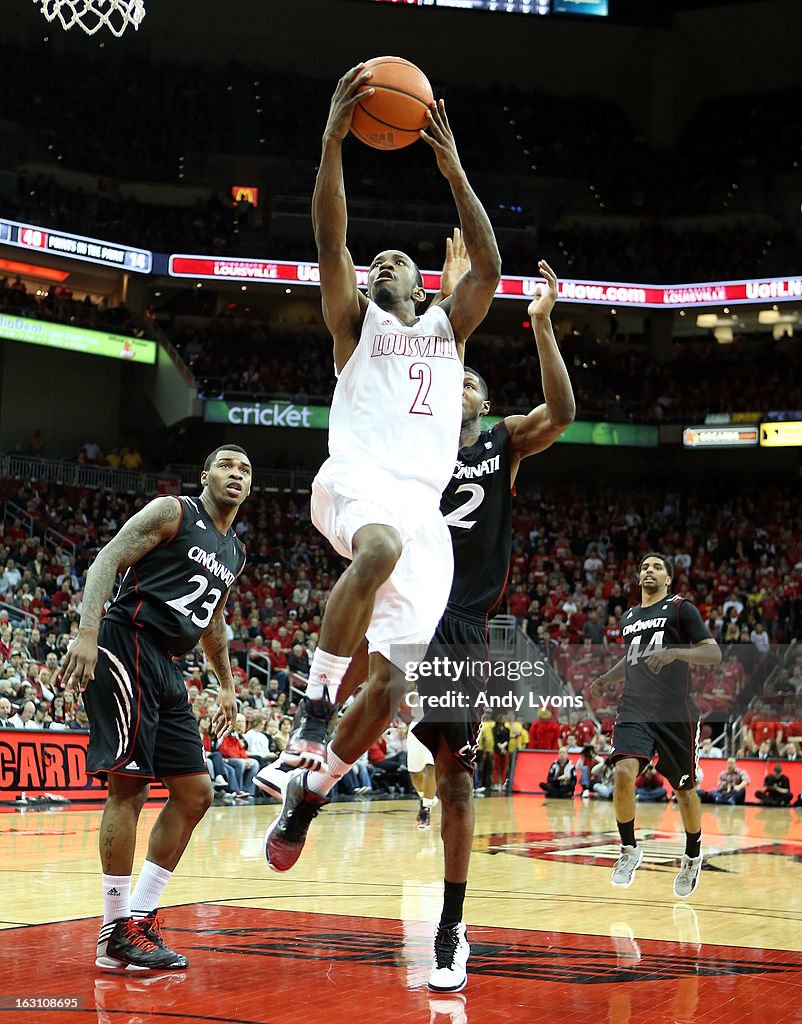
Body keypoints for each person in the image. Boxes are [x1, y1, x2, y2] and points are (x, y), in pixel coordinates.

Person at [262, 66, 501, 870]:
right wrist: (333, 140)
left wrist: (455, 171)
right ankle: (311, 704)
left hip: (423, 509)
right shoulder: (351, 323)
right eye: (380, 261)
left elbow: (492, 271)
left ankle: (314, 790)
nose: (385, 263)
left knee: (397, 692)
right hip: (358, 479)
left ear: (424, 282)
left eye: (400, 260)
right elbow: (331, 237)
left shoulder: (447, 329)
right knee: (379, 550)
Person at [59, 446, 250, 970]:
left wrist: (227, 686)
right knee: (131, 787)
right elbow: (107, 558)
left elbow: (212, 623)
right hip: (127, 640)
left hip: (168, 663)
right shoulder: (174, 511)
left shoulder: (234, 550)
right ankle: (114, 928)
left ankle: (138, 922)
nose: (237, 474)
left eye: (246, 470)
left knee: (196, 793)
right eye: (227, 465)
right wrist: (86, 630)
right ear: (206, 474)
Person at [589, 552, 721, 898]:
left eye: (657, 567)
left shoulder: (681, 609)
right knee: (622, 773)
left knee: (684, 790)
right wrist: (607, 678)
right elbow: (631, 657)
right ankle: (629, 849)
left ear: (668, 579)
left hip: (675, 712)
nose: (649, 570)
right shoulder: (630, 616)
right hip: (634, 708)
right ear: (638, 578)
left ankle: (693, 854)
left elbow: (713, 653)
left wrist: (676, 653)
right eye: (644, 566)